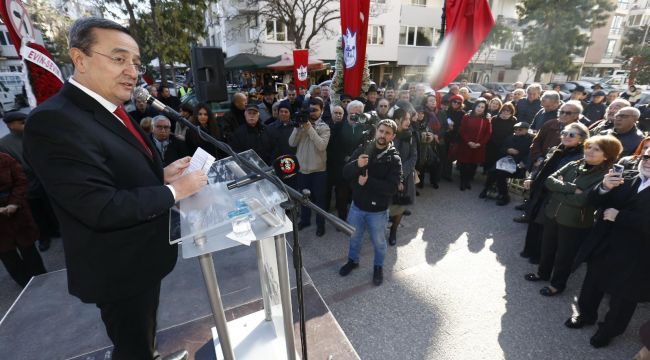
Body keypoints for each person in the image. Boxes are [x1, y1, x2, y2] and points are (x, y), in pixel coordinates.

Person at [23, 18, 207, 360]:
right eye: (119, 59)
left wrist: (161, 176)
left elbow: (113, 170)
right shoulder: (54, 121)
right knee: (133, 345)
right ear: (79, 59)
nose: (132, 71)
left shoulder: (110, 110)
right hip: (118, 268)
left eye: (135, 62)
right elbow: (99, 206)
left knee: (144, 333)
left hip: (141, 258)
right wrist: (175, 191)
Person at [566, 146, 650, 348]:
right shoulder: (625, 176)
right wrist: (603, 187)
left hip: (637, 254)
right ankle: (586, 315)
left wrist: (620, 216)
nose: (648, 161)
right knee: (592, 283)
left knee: (623, 298)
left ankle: (608, 331)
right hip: (604, 244)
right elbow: (593, 200)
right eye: (646, 156)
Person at [525, 135, 622, 296]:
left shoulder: (605, 176)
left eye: (596, 149)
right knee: (547, 247)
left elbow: (582, 201)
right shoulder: (574, 163)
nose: (590, 151)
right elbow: (549, 181)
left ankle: (557, 284)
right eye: (588, 147)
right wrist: (571, 189)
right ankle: (542, 274)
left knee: (565, 255)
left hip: (575, 221)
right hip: (553, 213)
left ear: (607, 155)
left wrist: (559, 190)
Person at [339, 119, 402, 286]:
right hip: (357, 207)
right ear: (376, 131)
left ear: (393, 136)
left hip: (378, 212)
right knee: (354, 238)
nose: (383, 135)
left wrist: (368, 182)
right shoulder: (363, 150)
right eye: (381, 131)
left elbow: (393, 187)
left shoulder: (394, 159)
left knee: (379, 242)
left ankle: (378, 267)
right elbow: (346, 173)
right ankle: (353, 261)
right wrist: (356, 164)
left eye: (387, 133)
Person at [518, 122, 590, 261]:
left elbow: (572, 181)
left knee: (545, 227)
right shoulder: (557, 149)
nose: (566, 136)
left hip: (555, 194)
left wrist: (561, 184)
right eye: (564, 133)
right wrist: (532, 177)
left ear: (581, 139)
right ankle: (530, 250)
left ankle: (539, 256)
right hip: (541, 190)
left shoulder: (580, 157)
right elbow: (541, 167)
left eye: (571, 134)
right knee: (534, 220)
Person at [0, 111, 60, 252]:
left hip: (45, 180)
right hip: (27, 184)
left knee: (49, 207)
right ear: (10, 125)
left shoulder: (34, 135)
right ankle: (43, 237)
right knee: (36, 212)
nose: (25, 124)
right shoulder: (4, 144)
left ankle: (56, 230)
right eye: (21, 123)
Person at [0, 152, 47, 287]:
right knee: (7, 255)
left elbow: (21, 180)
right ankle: (25, 286)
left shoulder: (4, 158)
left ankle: (43, 280)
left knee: (28, 248)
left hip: (17, 212)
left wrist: (14, 203)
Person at [289, 97, 331, 237]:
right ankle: (305, 220)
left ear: (322, 111)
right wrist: (298, 128)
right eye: (310, 109)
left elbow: (321, 146)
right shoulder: (301, 124)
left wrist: (309, 128)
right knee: (303, 198)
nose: (312, 113)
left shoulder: (324, 127)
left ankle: (321, 224)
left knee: (320, 200)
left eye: (315, 110)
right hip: (302, 170)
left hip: (319, 171)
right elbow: (292, 143)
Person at [480, 121, 532, 206]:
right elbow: (502, 149)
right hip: (505, 161)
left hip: (518, 165)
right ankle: (487, 188)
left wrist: (524, 162)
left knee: (501, 174)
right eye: (515, 129)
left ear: (526, 130)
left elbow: (530, 155)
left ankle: (504, 196)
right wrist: (508, 150)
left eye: (520, 129)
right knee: (492, 171)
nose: (517, 131)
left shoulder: (530, 141)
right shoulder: (510, 137)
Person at [388, 108, 417, 246]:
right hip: (387, 177)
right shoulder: (387, 133)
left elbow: (413, 157)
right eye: (406, 119)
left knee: (400, 206)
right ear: (397, 120)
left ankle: (394, 231)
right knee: (387, 204)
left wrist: (401, 174)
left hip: (404, 178)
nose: (408, 122)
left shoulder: (411, 135)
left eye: (409, 119)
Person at [456, 98, 492, 190]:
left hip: (478, 146)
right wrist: (468, 142)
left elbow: (488, 133)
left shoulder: (486, 120)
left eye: (482, 107)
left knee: (473, 165)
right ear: (475, 106)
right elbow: (462, 130)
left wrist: (480, 144)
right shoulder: (467, 116)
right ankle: (462, 181)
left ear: (485, 108)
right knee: (464, 164)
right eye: (478, 106)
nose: (480, 108)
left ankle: (468, 180)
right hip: (466, 144)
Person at [485, 102, 517, 173]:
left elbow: (513, 133)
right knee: (489, 159)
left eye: (508, 110)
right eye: (504, 110)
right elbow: (490, 130)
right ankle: (487, 172)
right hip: (493, 142)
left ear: (511, 111)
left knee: (499, 161)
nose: (505, 112)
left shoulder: (513, 120)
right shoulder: (495, 118)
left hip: (505, 144)